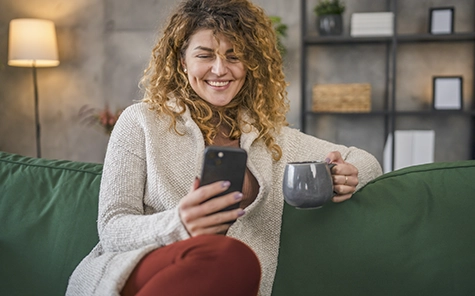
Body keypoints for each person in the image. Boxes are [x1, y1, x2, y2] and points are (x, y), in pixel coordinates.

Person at [66, 0, 383, 295]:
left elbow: (365, 160)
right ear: (182, 61)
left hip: (223, 279)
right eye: (205, 55)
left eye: (234, 56)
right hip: (139, 270)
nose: (220, 69)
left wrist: (344, 174)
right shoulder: (141, 122)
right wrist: (179, 224)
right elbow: (111, 229)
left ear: (250, 65)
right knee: (232, 257)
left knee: (232, 261)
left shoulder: (271, 138)